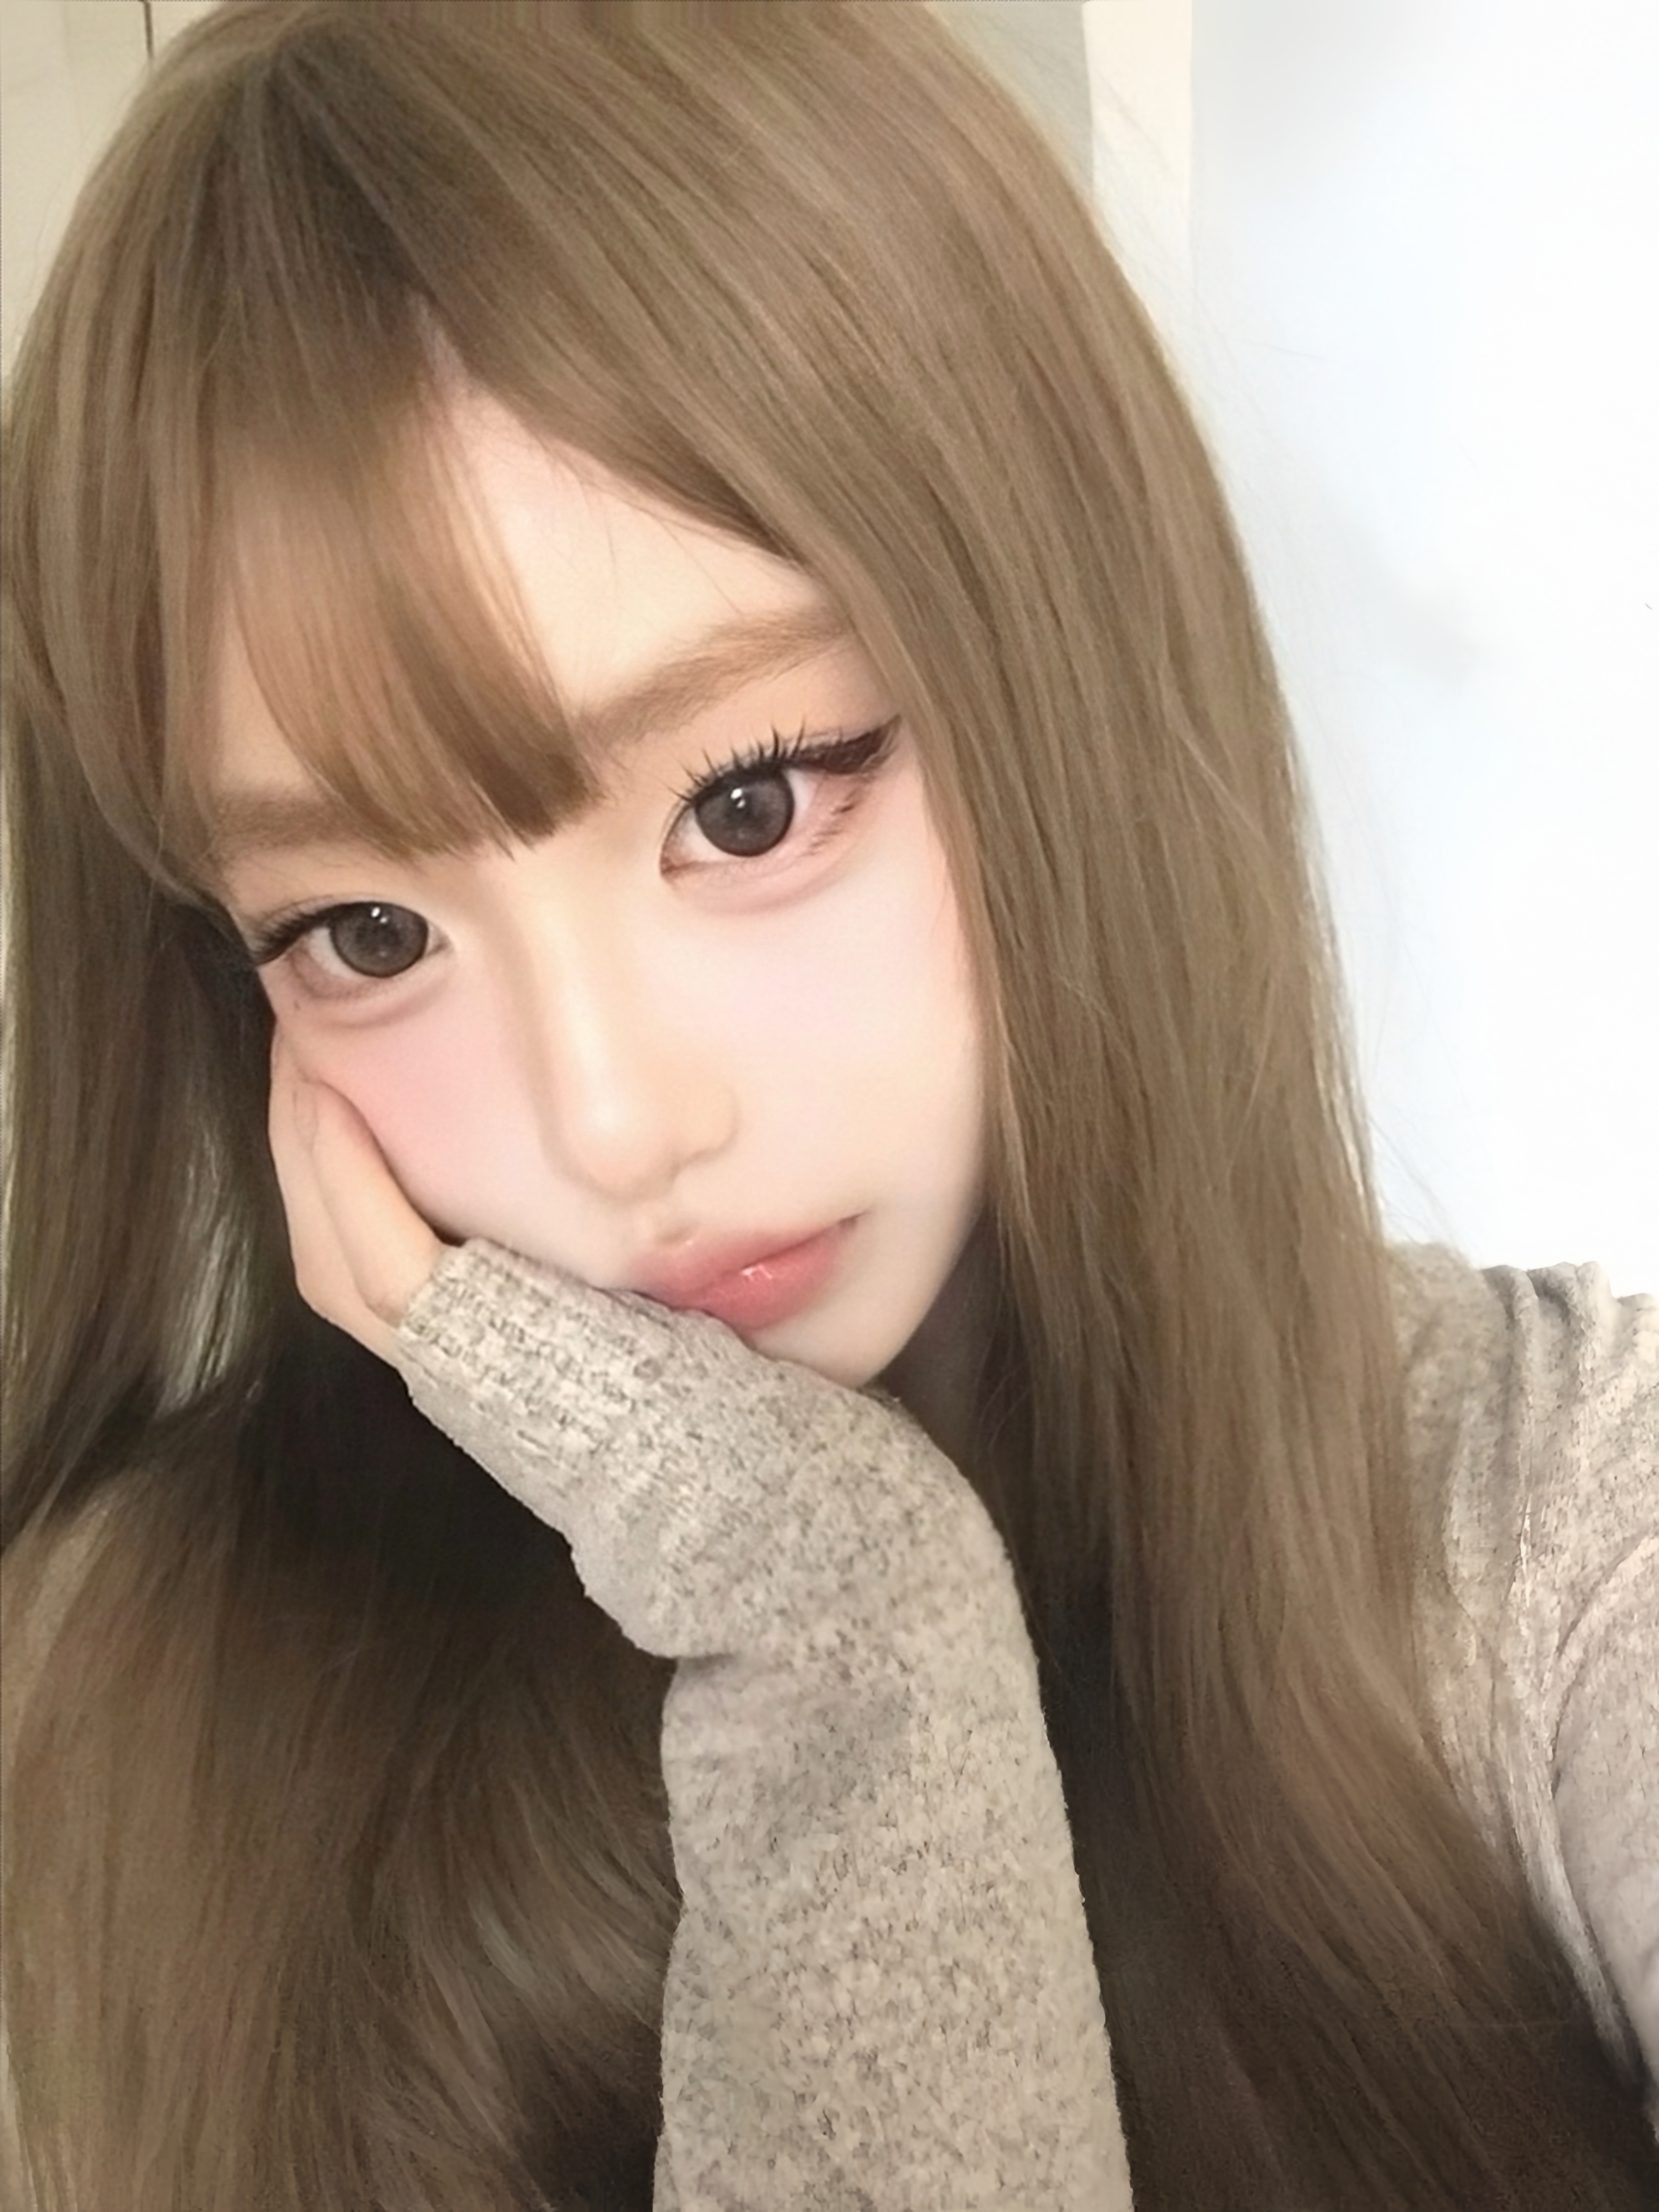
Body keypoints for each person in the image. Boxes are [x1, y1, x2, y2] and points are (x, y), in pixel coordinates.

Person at [0, 3, 1653, 2207]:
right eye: (367, 931)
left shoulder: (1560, 1525)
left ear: (1056, 665)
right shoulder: (117, 1715)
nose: (613, 1122)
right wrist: (843, 1625)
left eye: (751, 801)